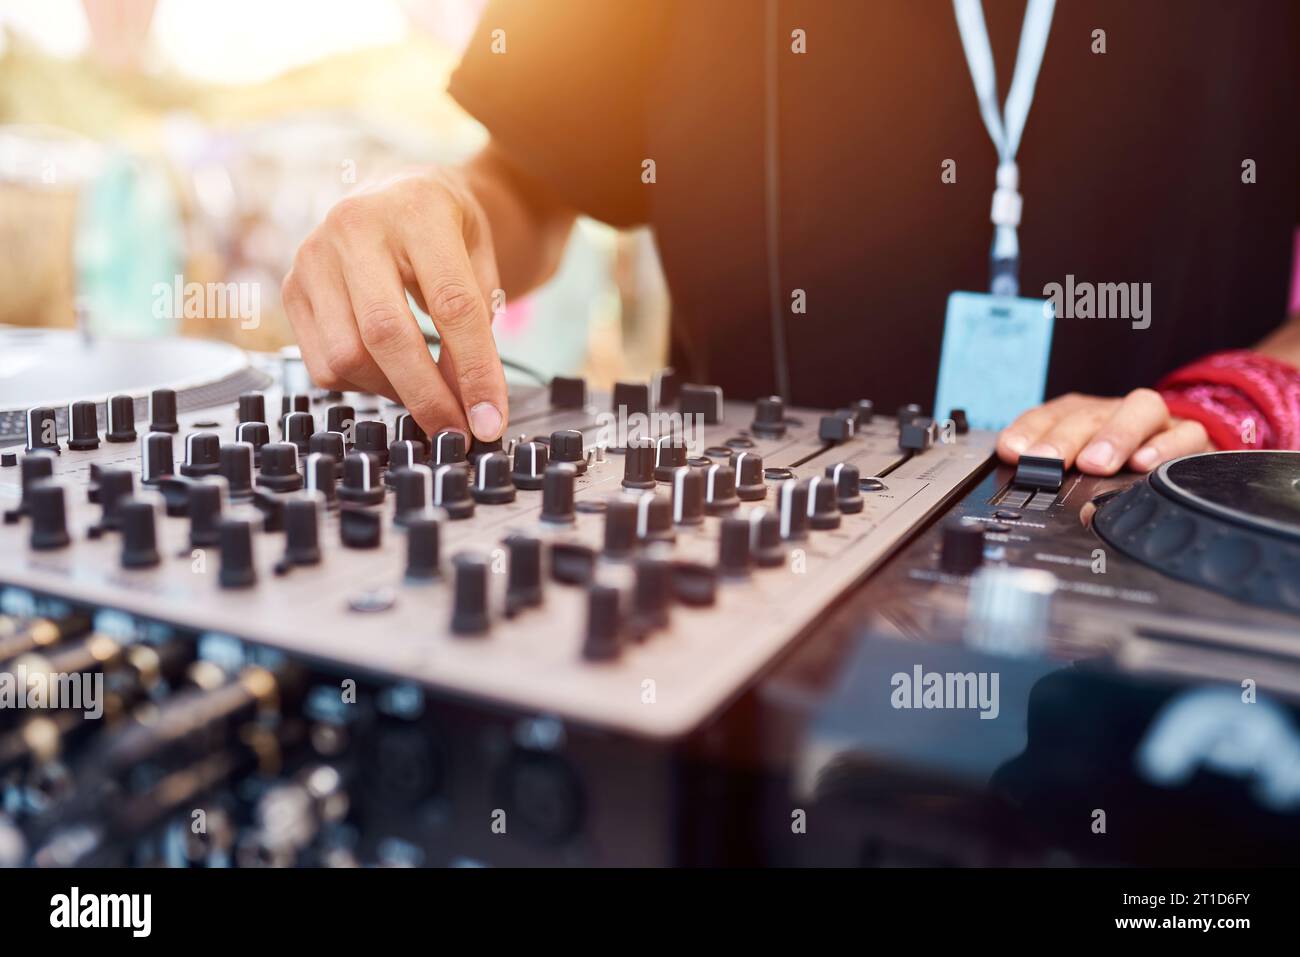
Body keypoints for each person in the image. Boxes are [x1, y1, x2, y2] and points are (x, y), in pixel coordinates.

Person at [281, 0, 1300, 474]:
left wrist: (1243, 404)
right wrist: (427, 211)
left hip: (1162, 552)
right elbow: (528, 183)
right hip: (725, 564)